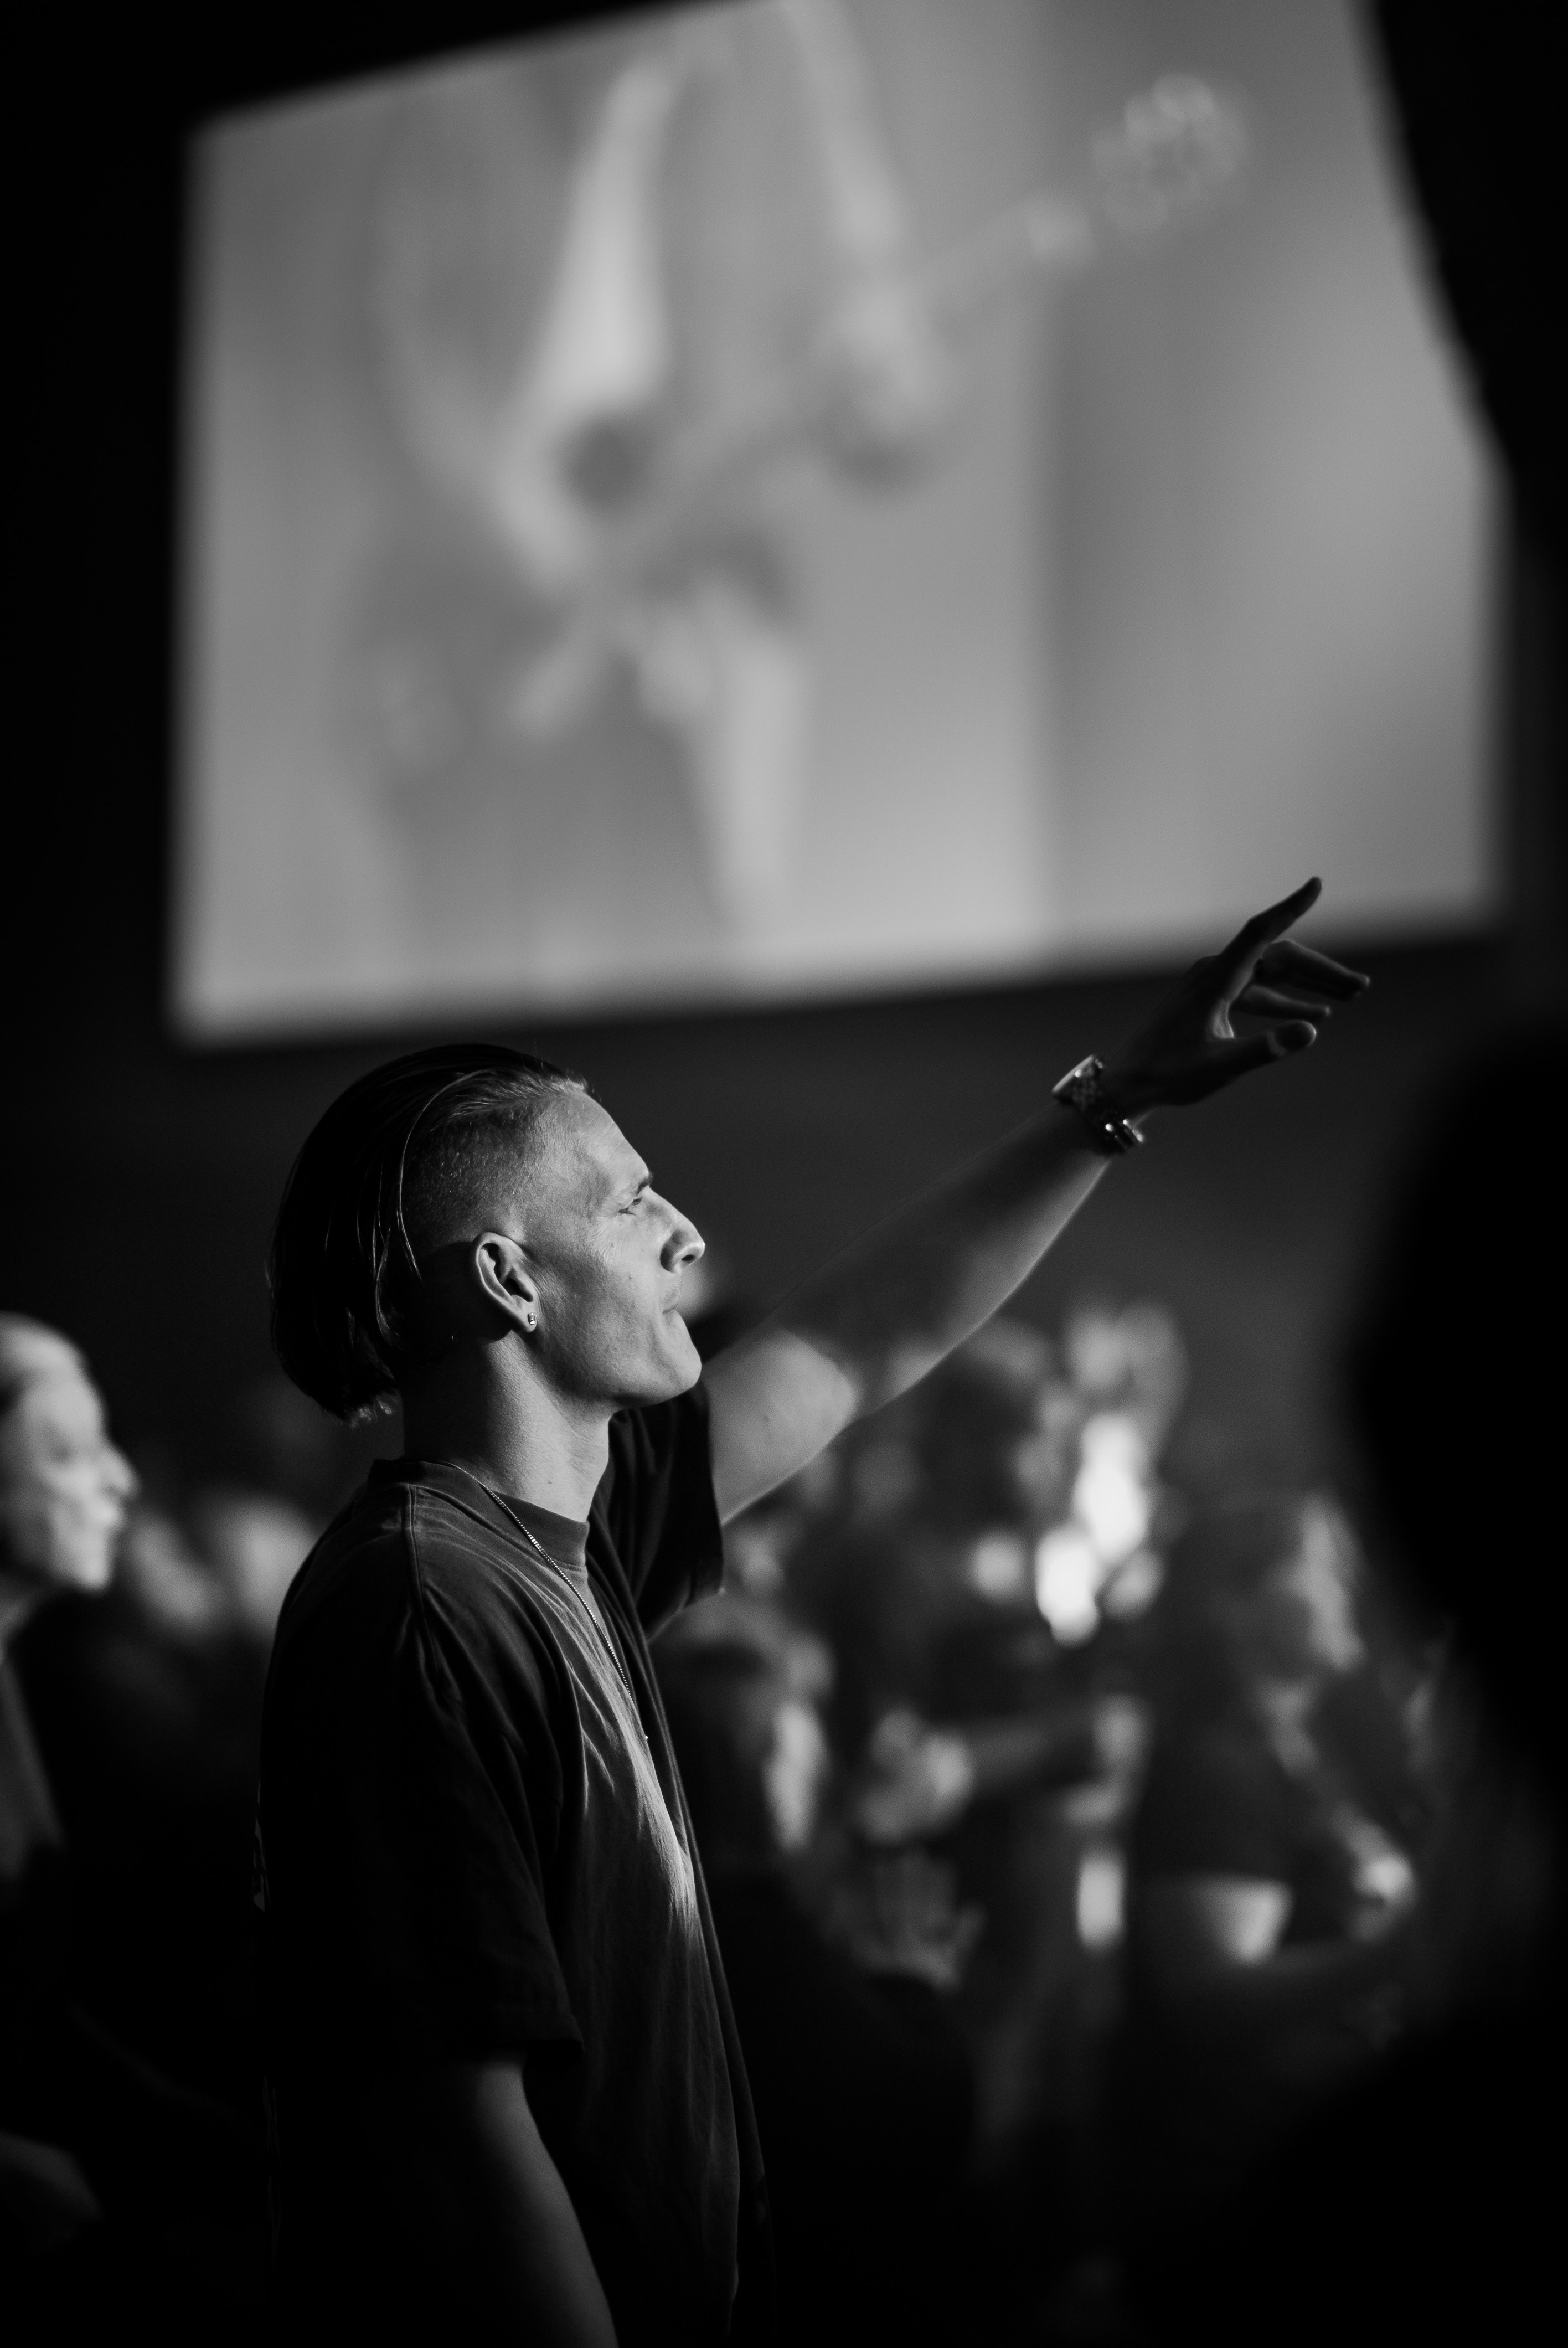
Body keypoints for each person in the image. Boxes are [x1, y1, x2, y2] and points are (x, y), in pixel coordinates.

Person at [255, 877, 1368, 2342]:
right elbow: (463, 2125)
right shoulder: (423, 1611)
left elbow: (860, 1342)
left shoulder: (574, 1536)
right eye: (629, 1199)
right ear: (511, 1280)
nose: (686, 1232)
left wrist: (1111, 1103)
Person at [1111, 1490, 1416, 2321]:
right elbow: (1211, 2000)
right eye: (1318, 1564)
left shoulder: (1308, 1746)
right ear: (1235, 1609)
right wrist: (1404, 1952)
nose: (1346, 1582)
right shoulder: (1220, 1769)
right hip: (1230, 2189)